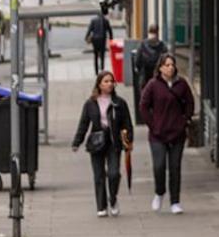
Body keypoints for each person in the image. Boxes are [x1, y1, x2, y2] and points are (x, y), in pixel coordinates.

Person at [139, 53, 195, 214]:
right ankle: (159, 192)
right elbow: (143, 106)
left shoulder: (181, 84)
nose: (170, 67)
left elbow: (190, 103)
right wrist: (153, 124)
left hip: (177, 133)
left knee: (175, 167)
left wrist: (184, 120)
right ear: (161, 67)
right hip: (158, 134)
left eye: (172, 64)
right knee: (159, 165)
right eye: (167, 65)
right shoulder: (153, 85)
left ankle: (175, 202)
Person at [71, 71, 133, 218]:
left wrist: (128, 141)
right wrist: (77, 142)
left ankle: (113, 199)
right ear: (99, 84)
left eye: (111, 81)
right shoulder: (90, 103)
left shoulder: (119, 103)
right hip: (97, 142)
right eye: (106, 81)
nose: (109, 84)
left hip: (114, 142)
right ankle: (101, 205)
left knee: (113, 174)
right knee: (99, 175)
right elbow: (84, 124)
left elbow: (127, 124)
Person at [132, 26, 166, 128]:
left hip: (144, 77)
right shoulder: (162, 46)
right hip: (158, 77)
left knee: (145, 98)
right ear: (158, 32)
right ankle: (157, 118)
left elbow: (137, 61)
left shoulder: (142, 45)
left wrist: (138, 69)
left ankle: (148, 120)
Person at [85, 4, 113, 74]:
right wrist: (111, 39)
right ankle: (102, 68)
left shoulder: (93, 20)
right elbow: (110, 30)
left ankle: (96, 71)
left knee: (96, 55)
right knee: (102, 54)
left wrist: (86, 37)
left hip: (95, 39)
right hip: (102, 39)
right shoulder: (105, 20)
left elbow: (89, 30)